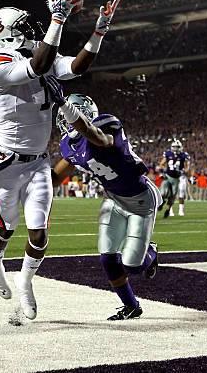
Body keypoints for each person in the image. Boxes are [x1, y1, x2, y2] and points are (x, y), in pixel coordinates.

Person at [0, 0, 120, 320]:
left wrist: (99, 29)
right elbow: (39, 66)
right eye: (23, 26)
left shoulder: (38, 51)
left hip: (38, 161)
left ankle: (26, 281)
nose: (32, 28)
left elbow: (76, 68)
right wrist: (58, 18)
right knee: (5, 228)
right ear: (6, 35)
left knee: (39, 232)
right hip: (6, 160)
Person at [49, 89, 161, 321]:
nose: (65, 121)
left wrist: (68, 109)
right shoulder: (68, 146)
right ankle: (131, 306)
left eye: (70, 114)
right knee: (108, 258)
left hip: (140, 199)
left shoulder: (107, 124)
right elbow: (54, 178)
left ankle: (152, 251)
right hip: (113, 198)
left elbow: (98, 138)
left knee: (132, 265)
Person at [158, 139, 190, 218]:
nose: (176, 149)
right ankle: (162, 203)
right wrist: (164, 170)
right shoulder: (168, 153)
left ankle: (168, 210)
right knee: (163, 193)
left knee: (172, 196)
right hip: (168, 176)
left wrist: (183, 171)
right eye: (174, 147)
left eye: (177, 147)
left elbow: (187, 167)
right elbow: (161, 164)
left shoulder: (183, 155)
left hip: (176, 179)